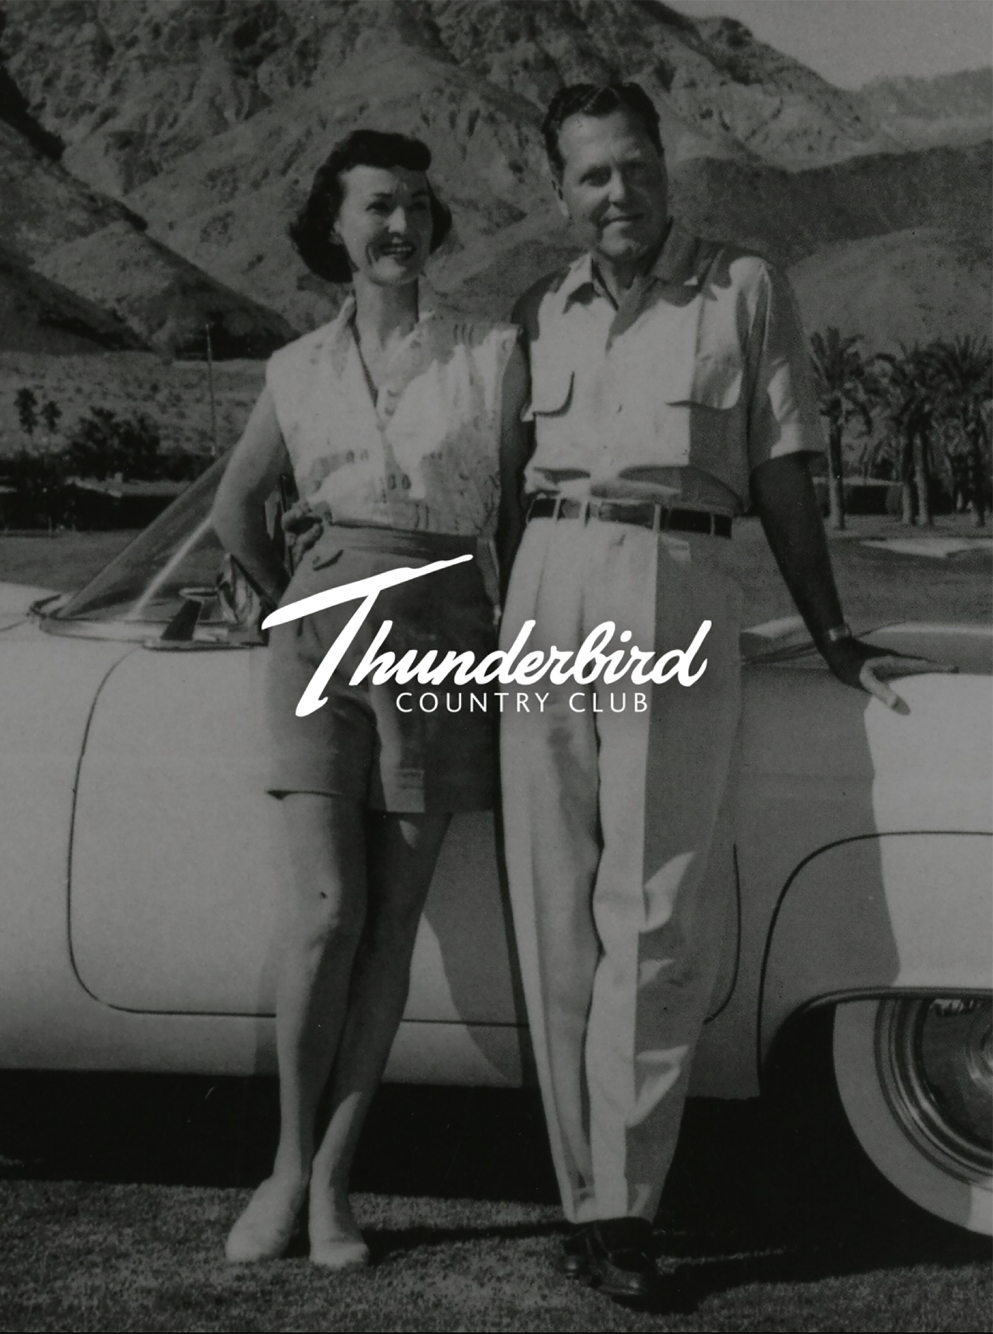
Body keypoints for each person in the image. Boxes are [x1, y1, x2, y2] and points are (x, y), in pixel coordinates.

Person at [498, 81, 948, 1307]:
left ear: (666, 164)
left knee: (654, 905)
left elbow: (784, 463)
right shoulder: (535, 306)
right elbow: (502, 488)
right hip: (544, 583)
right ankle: (580, 1192)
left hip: (674, 574)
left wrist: (832, 630)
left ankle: (623, 1205)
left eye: (635, 166)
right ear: (560, 189)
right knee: (551, 902)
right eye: (592, 174)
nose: (618, 192)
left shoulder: (742, 286)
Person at [211, 129, 525, 1269]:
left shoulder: (492, 353)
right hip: (318, 644)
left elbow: (513, 521)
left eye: (419, 206)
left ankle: (337, 1184)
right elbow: (236, 506)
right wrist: (277, 598)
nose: (403, 225)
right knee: (325, 912)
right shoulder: (294, 367)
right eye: (380, 206)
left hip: (444, 639)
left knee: (390, 922)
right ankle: (285, 1169)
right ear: (335, 229)